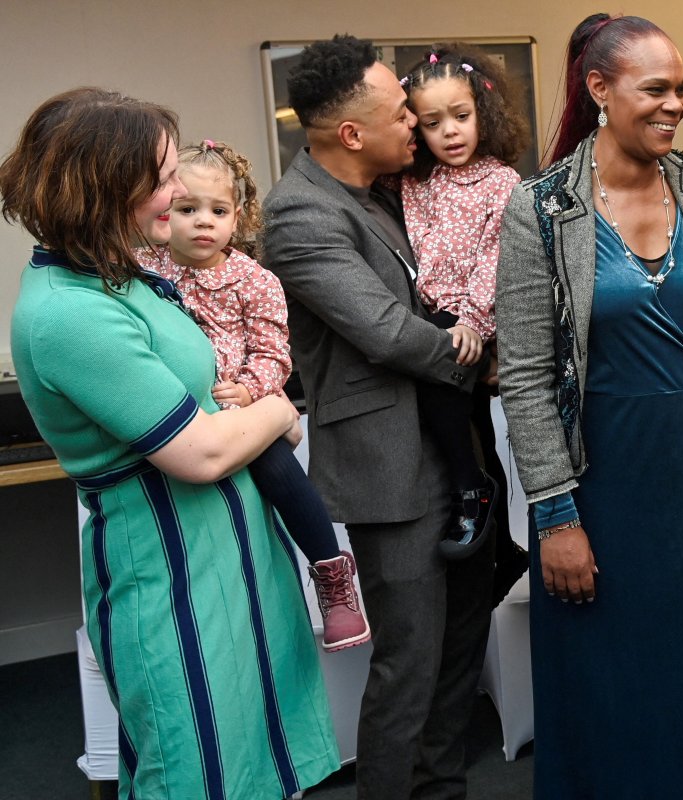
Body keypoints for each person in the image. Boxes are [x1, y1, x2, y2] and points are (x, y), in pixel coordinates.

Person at [2, 87, 340, 798]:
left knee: (251, 766)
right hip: (172, 573)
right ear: (106, 186)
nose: (177, 190)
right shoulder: (71, 314)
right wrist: (276, 411)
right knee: (192, 771)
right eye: (161, 178)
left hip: (229, 558)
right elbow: (201, 452)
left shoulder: (119, 278)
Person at [496, 13, 683, 799]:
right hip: (598, 489)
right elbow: (525, 374)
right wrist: (556, 517)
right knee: (608, 688)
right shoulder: (542, 208)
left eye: (681, 89)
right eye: (656, 89)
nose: (675, 104)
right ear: (599, 89)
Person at [260, 35, 493, 799]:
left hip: (451, 451)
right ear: (352, 134)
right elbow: (389, 333)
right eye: (401, 113)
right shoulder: (299, 214)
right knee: (409, 665)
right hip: (389, 470)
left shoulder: (384, 193)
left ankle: (441, 789)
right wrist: (478, 353)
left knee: (459, 647)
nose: (415, 124)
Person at [136, 139, 369, 652]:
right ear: (164, 211)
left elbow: (273, 351)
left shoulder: (254, 280)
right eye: (188, 209)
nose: (203, 222)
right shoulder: (144, 270)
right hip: (173, 408)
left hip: (237, 407)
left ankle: (331, 572)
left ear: (237, 218)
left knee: (276, 469)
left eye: (218, 211)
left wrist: (249, 389)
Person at [382, 42, 530, 599]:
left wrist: (471, 322)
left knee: (449, 404)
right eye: (432, 122)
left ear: (483, 114)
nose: (449, 132)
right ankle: (504, 548)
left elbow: (496, 260)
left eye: (461, 116)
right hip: (431, 316)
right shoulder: (413, 182)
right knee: (475, 430)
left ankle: (472, 492)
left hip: (472, 319)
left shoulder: (501, 182)